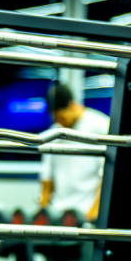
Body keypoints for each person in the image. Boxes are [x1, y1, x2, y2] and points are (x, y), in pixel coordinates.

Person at [39, 83, 110, 222]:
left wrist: (93, 215)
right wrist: (43, 213)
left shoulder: (101, 125)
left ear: (72, 106)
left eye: (61, 118)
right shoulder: (55, 132)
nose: (60, 123)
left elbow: (106, 176)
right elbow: (47, 177)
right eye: (56, 119)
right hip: (59, 214)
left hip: (85, 214)